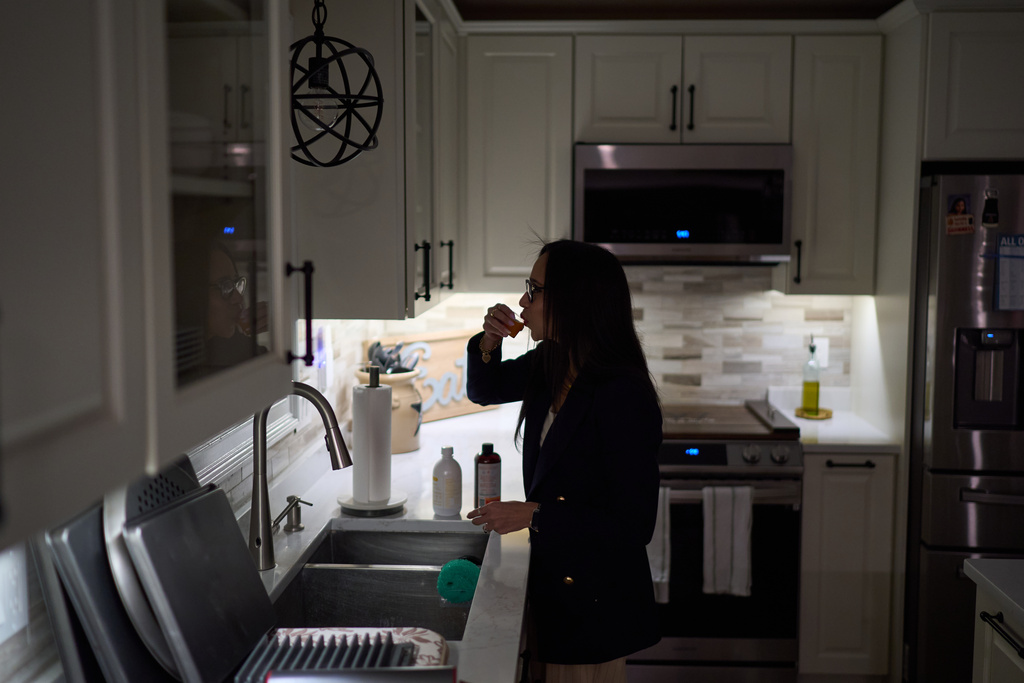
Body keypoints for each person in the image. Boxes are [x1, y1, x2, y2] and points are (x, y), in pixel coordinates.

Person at [465, 239, 663, 682]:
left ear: (574, 301)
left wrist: (533, 513)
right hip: (556, 592)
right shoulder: (553, 361)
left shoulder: (622, 394)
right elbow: (485, 388)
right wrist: (489, 340)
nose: (523, 301)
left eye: (534, 290)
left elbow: (634, 525)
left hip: (595, 609)